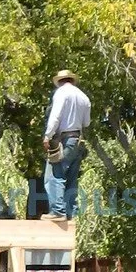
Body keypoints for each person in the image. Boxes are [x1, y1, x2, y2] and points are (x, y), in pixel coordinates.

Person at [41, 70, 90, 219]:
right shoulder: (84, 97)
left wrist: (47, 136)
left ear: (60, 81)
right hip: (77, 140)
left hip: (64, 139)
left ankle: (57, 211)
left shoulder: (61, 93)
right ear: (72, 80)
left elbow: (55, 116)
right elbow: (86, 122)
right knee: (71, 177)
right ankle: (71, 213)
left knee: (54, 175)